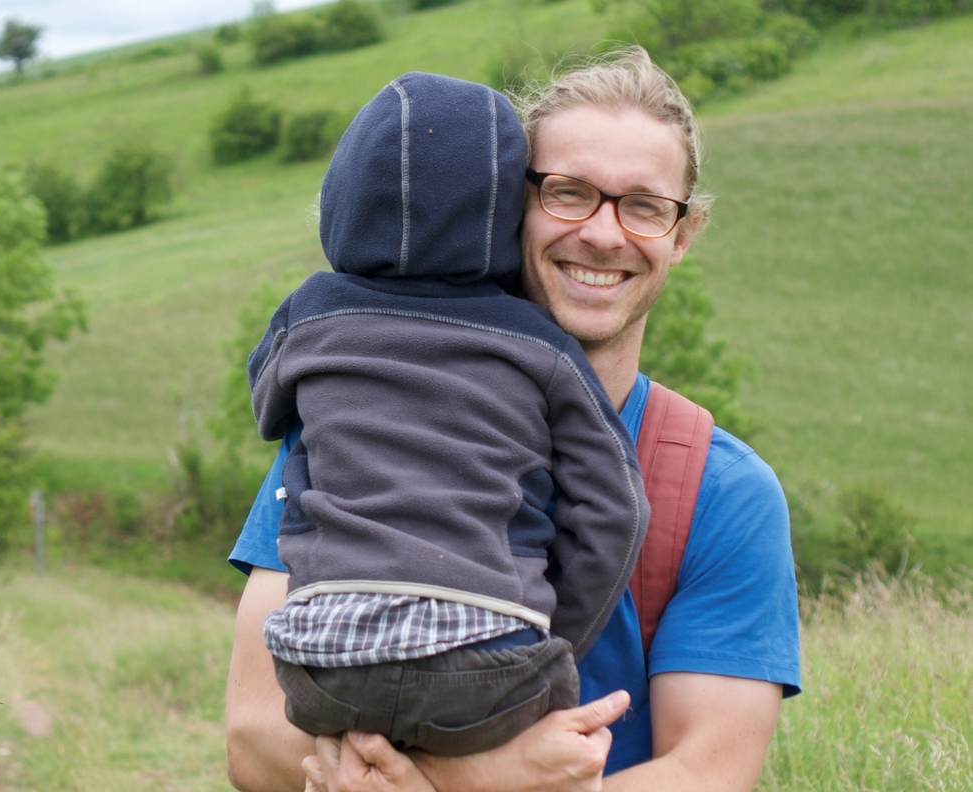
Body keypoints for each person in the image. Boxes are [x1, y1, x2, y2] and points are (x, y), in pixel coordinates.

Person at [226, 46, 800, 792]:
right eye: (567, 193)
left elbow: (709, 773)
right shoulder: (351, 432)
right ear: (505, 209)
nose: (602, 232)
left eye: (644, 206)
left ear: (682, 235)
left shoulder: (722, 492)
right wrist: (502, 774)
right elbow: (251, 739)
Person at [248, 71, 648, 757]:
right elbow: (619, 510)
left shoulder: (308, 315)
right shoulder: (537, 342)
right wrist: (548, 636)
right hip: (491, 668)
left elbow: (266, 410)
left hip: (320, 670)